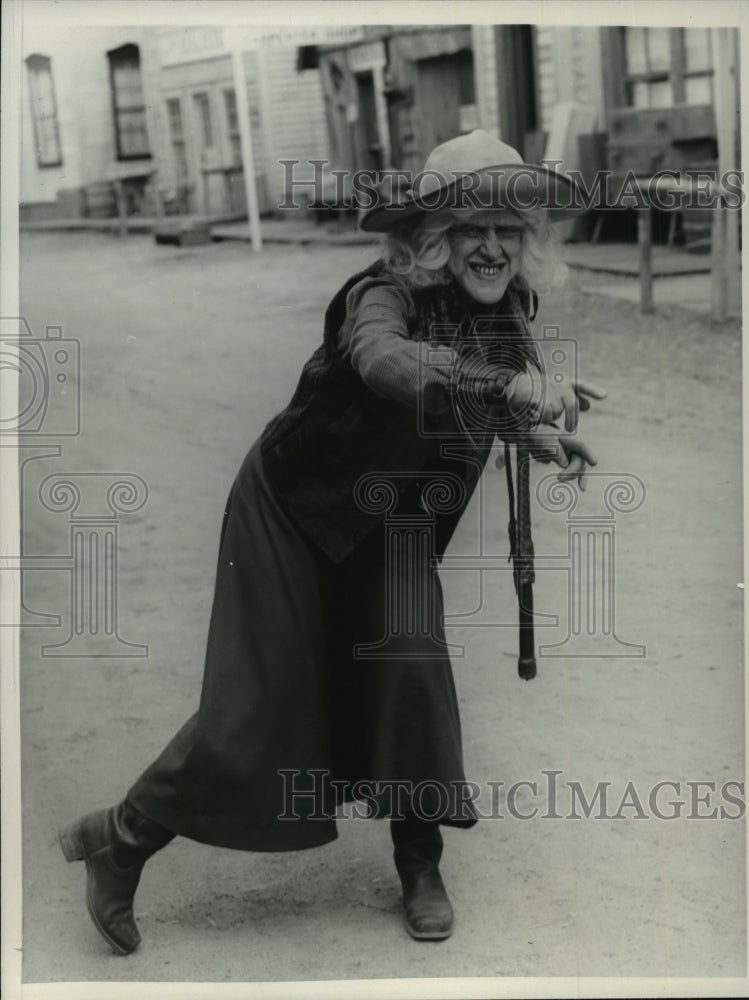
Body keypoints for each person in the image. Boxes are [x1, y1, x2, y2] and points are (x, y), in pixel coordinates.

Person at [59, 130, 606, 954]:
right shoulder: (378, 299)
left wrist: (535, 436)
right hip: (296, 508)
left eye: (507, 227)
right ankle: (120, 839)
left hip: (399, 522)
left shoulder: (505, 312)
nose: (490, 246)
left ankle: (419, 862)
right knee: (263, 700)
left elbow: (486, 401)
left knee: (412, 668)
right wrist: (511, 387)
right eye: (468, 227)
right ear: (430, 238)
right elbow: (389, 366)